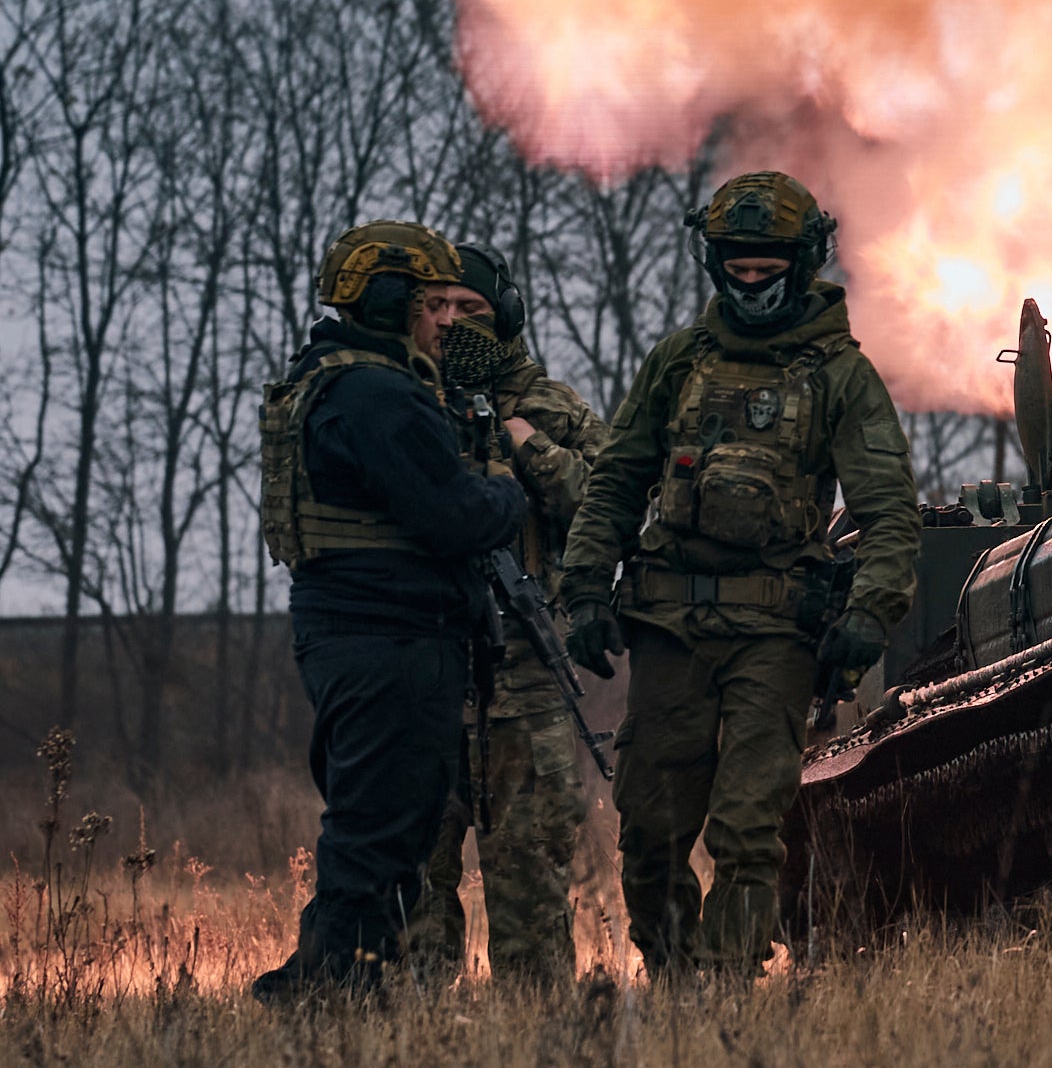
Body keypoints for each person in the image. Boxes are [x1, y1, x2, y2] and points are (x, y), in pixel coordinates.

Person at [555, 172, 919, 981]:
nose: (751, 282)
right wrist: (582, 587)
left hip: (777, 633)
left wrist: (868, 614)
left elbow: (891, 511)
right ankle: (679, 976)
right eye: (737, 265)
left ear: (802, 261)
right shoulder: (678, 362)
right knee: (648, 829)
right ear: (715, 262)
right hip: (668, 627)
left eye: (768, 266)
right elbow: (616, 478)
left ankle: (721, 992)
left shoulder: (840, 374)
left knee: (750, 830)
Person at [252, 223, 529, 1002]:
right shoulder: (378, 392)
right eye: (433, 303)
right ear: (385, 304)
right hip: (389, 640)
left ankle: (355, 990)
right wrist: (507, 487)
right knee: (378, 833)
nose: (448, 320)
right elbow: (459, 515)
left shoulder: (334, 378)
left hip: (363, 636)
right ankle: (329, 994)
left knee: (382, 826)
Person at [403, 243, 606, 985]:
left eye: (473, 309)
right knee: (414, 886)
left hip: (523, 680)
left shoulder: (548, 406)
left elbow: (606, 503)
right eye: (440, 306)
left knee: (528, 883)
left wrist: (527, 444)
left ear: (506, 316)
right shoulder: (400, 403)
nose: (453, 322)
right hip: (421, 671)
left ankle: (538, 1035)